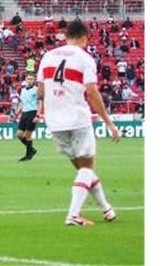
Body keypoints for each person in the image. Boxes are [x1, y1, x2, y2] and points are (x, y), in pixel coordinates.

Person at [38, 19, 119, 225]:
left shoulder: (47, 56)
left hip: (54, 121)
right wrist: (108, 122)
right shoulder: (85, 58)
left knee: (83, 170)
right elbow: (92, 92)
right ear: (84, 38)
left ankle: (106, 208)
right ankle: (73, 215)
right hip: (76, 118)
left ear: (66, 37)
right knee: (87, 167)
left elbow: (41, 89)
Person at [16, 73, 40, 161]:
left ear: (34, 80)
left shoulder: (37, 90)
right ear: (26, 80)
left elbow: (39, 102)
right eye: (28, 79)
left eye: (32, 79)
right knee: (19, 134)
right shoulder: (23, 90)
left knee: (27, 135)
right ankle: (31, 149)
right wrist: (17, 112)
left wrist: (38, 114)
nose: (30, 80)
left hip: (32, 112)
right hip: (24, 113)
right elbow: (22, 102)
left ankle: (28, 155)